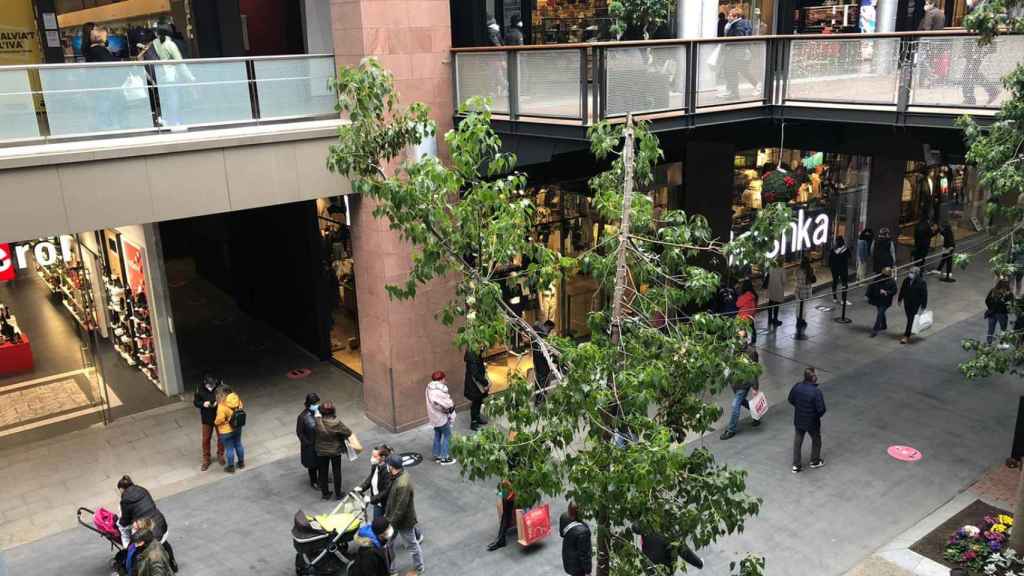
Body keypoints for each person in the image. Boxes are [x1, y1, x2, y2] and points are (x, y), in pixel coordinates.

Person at [116, 475, 177, 571]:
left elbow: (125, 521)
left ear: (122, 489)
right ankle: (173, 564)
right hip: (160, 521)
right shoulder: (142, 490)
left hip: (147, 528)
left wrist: (119, 522)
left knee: (142, 552)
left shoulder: (125, 501)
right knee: (163, 542)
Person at [384, 454, 425, 574]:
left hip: (403, 521)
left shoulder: (402, 484)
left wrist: (390, 523)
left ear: (391, 467)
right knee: (388, 544)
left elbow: (400, 508)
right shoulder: (399, 475)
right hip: (394, 519)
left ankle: (419, 568)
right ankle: (392, 570)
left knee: (412, 545)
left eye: (388, 465)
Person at [152, 27, 195, 126]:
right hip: (171, 77)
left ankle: (167, 121)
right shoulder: (170, 44)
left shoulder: (155, 44)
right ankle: (175, 122)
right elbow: (180, 63)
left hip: (161, 76)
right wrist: (190, 77)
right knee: (174, 99)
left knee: (167, 100)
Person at [788, 368, 825, 473]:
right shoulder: (816, 392)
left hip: (799, 418)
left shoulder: (797, 387)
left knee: (798, 440)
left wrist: (799, 407)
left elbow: (790, 399)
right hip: (812, 421)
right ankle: (815, 460)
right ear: (813, 378)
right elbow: (821, 409)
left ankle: (796, 465)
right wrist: (816, 415)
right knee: (816, 439)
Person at [720, 342, 760, 440]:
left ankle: (731, 429)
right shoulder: (732, 349)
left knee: (735, 404)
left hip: (743, 384)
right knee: (741, 401)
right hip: (734, 383)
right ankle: (756, 414)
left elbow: (753, 371)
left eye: (741, 337)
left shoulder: (751, 352)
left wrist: (755, 387)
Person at [315, 400, 352, 500]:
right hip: (335, 451)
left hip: (321, 450)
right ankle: (338, 494)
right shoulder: (336, 423)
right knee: (336, 472)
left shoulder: (318, 421)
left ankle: (325, 493)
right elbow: (348, 432)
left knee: (323, 472)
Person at [193, 374, 224, 472]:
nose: (211, 386)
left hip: (219, 416)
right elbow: (195, 402)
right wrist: (203, 404)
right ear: (205, 383)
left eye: (213, 384)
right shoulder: (199, 389)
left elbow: (226, 397)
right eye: (209, 385)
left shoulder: (220, 386)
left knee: (221, 437)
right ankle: (206, 459)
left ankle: (220, 455)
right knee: (206, 439)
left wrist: (218, 402)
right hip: (206, 418)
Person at [425, 370, 457, 466]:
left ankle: (437, 455)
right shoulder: (439, 391)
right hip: (441, 418)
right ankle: (444, 458)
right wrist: (450, 406)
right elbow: (447, 404)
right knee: (448, 436)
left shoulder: (428, 388)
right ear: (441, 379)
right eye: (444, 379)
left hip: (433, 417)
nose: (444, 380)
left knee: (437, 434)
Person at [723, 7, 755, 99]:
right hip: (739, 54)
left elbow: (738, 41)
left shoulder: (738, 26)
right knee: (736, 72)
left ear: (736, 16)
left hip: (736, 54)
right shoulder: (740, 24)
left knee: (732, 72)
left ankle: (734, 93)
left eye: (729, 15)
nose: (727, 17)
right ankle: (732, 92)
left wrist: (730, 48)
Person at [356, 444, 394, 520]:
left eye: (375, 456)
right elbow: (371, 477)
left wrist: (371, 499)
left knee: (389, 524)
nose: (372, 458)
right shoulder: (376, 465)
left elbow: (386, 491)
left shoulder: (387, 471)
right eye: (372, 455)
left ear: (383, 458)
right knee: (377, 523)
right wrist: (361, 487)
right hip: (377, 501)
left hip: (386, 503)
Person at [214, 386, 245, 473]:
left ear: (223, 394)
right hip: (237, 427)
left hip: (226, 431)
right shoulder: (238, 400)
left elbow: (219, 419)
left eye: (219, 395)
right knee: (238, 444)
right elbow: (241, 409)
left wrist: (215, 422)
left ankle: (231, 467)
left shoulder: (222, 405)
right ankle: (241, 463)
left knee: (229, 448)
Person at [559, 502, 592, 576]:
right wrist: (588, 571)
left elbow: (562, 534)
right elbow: (584, 554)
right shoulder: (583, 531)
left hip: (567, 560)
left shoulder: (563, 516)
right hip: (578, 567)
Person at [898, 266, 929, 344]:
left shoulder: (921, 282)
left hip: (915, 303)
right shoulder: (906, 280)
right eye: (909, 272)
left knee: (910, 318)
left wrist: (923, 306)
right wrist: (900, 299)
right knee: (909, 317)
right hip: (907, 302)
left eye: (911, 272)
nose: (909, 274)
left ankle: (906, 336)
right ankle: (911, 328)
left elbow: (924, 295)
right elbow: (902, 290)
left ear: (916, 274)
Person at [296, 392, 320, 489]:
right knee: (312, 465)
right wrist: (308, 443)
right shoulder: (302, 417)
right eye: (314, 404)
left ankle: (321, 477)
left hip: (319, 443)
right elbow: (299, 433)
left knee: (321, 462)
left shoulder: (318, 412)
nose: (316, 405)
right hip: (310, 446)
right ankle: (313, 481)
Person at [464, 348, 490, 431]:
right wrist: (485, 383)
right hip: (474, 384)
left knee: (478, 401)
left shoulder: (476, 352)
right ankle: (473, 422)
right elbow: (475, 373)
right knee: (475, 403)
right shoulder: (472, 355)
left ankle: (478, 418)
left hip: (476, 383)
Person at [867, 267, 898, 338]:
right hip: (878, 299)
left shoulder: (892, 281)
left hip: (885, 301)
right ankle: (884, 325)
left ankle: (875, 330)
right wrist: (867, 295)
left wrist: (886, 292)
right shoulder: (877, 279)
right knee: (881, 313)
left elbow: (894, 291)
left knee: (880, 314)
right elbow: (871, 286)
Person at [986, 278, 1013, 345]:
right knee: (1003, 329)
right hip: (1002, 314)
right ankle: (1002, 342)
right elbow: (1011, 305)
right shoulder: (1009, 294)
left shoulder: (993, 291)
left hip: (992, 313)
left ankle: (989, 343)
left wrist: (991, 307)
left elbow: (987, 300)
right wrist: (1007, 310)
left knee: (991, 329)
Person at [795, 256, 815, 332]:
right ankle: (803, 320)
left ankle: (798, 320)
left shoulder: (798, 270)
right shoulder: (810, 269)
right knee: (804, 307)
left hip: (799, 290)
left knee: (798, 306)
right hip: (806, 291)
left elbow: (796, 278)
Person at [829, 237, 851, 305]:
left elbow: (830, 260)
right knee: (844, 284)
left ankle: (834, 298)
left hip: (834, 269)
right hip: (843, 269)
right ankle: (843, 300)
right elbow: (850, 256)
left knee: (835, 282)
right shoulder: (846, 249)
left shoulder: (833, 249)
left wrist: (831, 268)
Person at [764, 260, 786, 329]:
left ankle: (769, 318)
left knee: (770, 303)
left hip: (771, 289)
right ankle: (775, 319)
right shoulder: (782, 270)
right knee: (776, 305)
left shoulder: (771, 269)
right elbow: (784, 281)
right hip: (778, 290)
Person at [736, 279, 758, 344]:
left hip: (743, 316)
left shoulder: (745, 295)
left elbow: (738, 304)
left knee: (741, 330)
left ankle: (742, 343)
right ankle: (751, 341)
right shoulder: (754, 295)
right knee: (750, 330)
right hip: (751, 315)